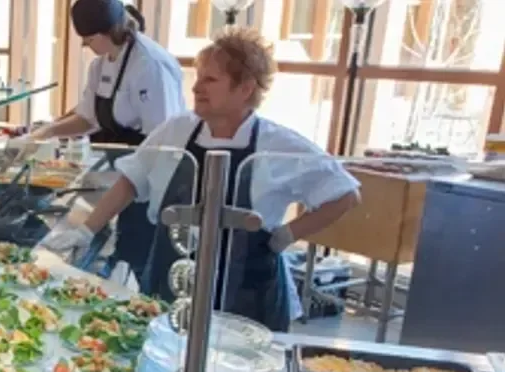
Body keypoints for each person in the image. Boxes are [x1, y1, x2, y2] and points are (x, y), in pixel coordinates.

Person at [41, 27, 360, 332]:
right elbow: (130, 181)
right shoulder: (177, 129)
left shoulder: (278, 144)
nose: (196, 88)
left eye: (210, 79)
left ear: (246, 88)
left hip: (248, 297)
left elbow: (345, 195)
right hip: (172, 285)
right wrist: (85, 231)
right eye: (198, 77)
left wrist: (288, 234)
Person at [29, 0, 184, 285]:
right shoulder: (100, 64)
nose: (86, 46)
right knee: (122, 256)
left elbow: (162, 143)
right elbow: (88, 119)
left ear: (106, 32)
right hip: (121, 173)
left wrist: (96, 221)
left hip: (152, 181)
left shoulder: (149, 65)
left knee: (140, 261)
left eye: (88, 39)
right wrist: (45, 132)